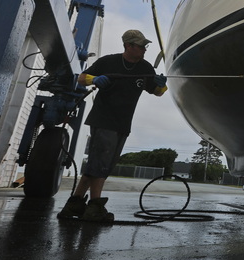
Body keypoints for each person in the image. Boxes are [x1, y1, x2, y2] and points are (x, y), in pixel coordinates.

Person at [58, 29, 167, 222]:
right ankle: (95, 207)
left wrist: (161, 85)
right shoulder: (108, 62)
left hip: (123, 123)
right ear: (128, 46)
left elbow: (156, 92)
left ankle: (74, 204)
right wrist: (94, 79)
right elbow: (81, 78)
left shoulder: (146, 68)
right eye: (141, 46)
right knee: (100, 163)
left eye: (145, 46)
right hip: (103, 119)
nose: (144, 49)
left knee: (101, 164)